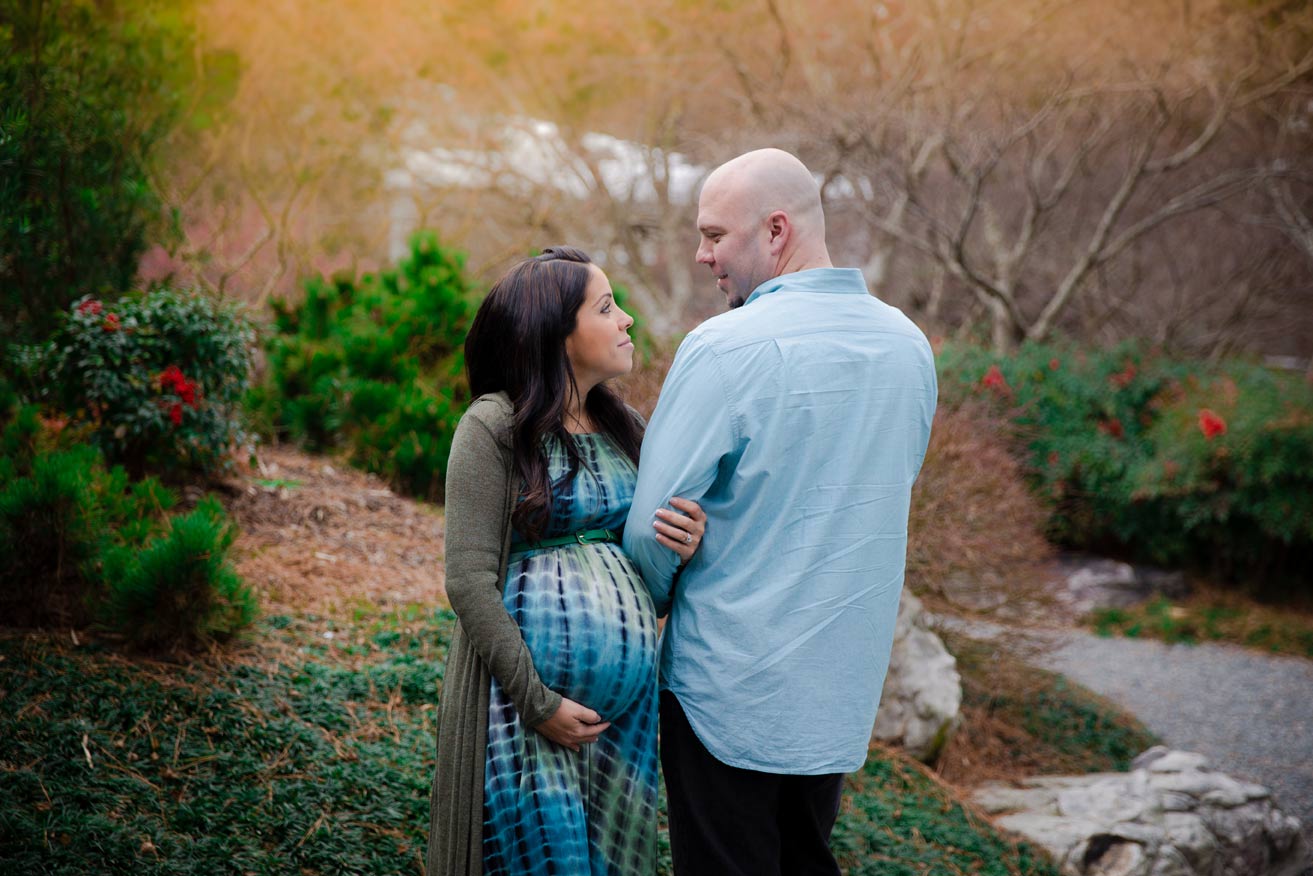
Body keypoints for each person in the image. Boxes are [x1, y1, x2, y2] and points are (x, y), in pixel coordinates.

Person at [624, 148, 938, 875]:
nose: (701, 255)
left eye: (712, 235)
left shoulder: (724, 348)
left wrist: (665, 587)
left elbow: (650, 529)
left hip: (722, 692)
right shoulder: (909, 347)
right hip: (834, 695)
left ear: (773, 231)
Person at [426, 246, 707, 876]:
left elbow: (641, 584)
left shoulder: (624, 426)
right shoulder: (494, 426)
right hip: (522, 716)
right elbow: (468, 581)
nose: (627, 319)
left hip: (621, 728)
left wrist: (679, 551)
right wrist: (538, 702)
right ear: (557, 333)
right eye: (607, 308)